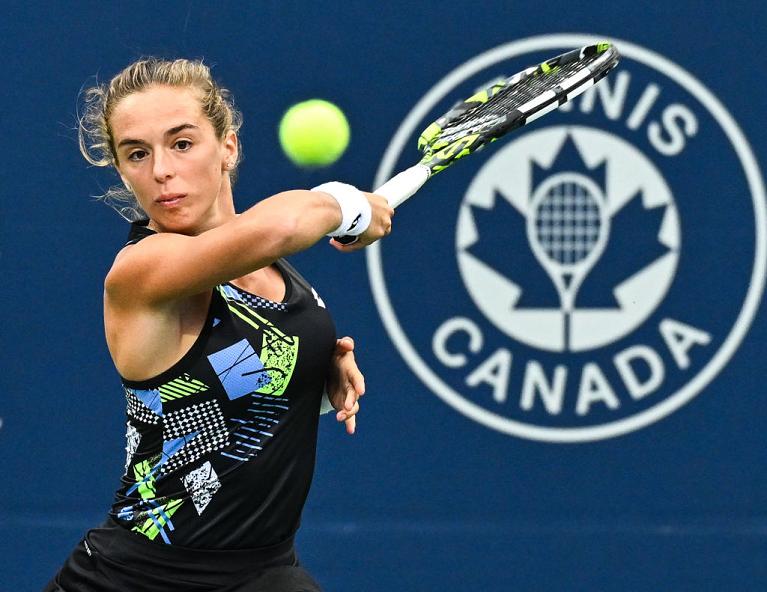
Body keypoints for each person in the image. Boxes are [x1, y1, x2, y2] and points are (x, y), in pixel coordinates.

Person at [45, 58, 393, 592]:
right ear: (121, 171)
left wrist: (318, 375)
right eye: (137, 153)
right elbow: (280, 226)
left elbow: (249, 381)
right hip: (135, 579)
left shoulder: (276, 275)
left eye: (181, 144)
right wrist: (348, 205)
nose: (161, 170)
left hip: (264, 572)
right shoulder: (141, 271)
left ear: (227, 147)